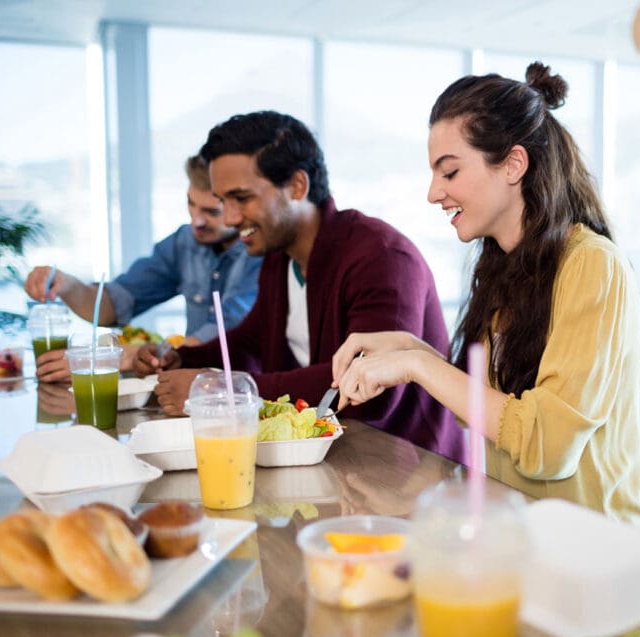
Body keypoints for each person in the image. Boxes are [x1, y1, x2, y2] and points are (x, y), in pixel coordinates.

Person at [331, 63, 640, 525]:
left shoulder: (593, 265)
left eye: (450, 172)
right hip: (519, 535)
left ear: (514, 165)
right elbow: (490, 413)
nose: (433, 192)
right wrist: (408, 347)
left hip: (591, 550)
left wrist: (419, 365)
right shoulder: (503, 266)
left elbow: (546, 448)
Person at [134, 111, 465, 462]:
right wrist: (179, 358)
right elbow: (251, 344)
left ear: (297, 186)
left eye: (241, 198)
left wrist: (227, 392)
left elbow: (372, 389)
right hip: (333, 465)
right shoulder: (280, 257)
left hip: (412, 475)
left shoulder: (381, 256)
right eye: (223, 201)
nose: (229, 218)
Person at [24, 155, 262, 382]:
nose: (196, 221)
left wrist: (123, 356)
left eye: (211, 212)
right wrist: (67, 285)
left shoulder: (261, 252)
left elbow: (225, 335)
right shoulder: (183, 242)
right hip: (192, 391)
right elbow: (114, 305)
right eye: (191, 204)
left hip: (250, 393)